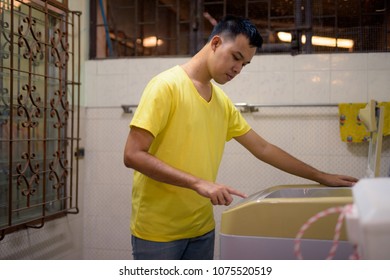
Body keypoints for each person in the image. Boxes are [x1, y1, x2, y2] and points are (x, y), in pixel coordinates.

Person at [123, 15, 358, 260]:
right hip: (158, 233)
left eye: (244, 64)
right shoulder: (165, 86)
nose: (237, 69)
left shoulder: (222, 103)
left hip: (201, 229)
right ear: (215, 43)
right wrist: (198, 183)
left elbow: (264, 148)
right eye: (236, 57)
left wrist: (322, 177)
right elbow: (133, 154)